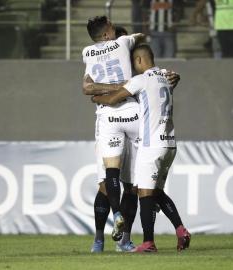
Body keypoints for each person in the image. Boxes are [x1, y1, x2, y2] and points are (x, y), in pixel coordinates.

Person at [87, 44, 191, 253]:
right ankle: (181, 230)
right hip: (169, 143)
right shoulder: (166, 76)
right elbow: (171, 81)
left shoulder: (141, 80)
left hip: (150, 144)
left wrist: (96, 97)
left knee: (143, 192)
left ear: (139, 61)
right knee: (156, 192)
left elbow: (114, 98)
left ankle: (148, 243)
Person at [82, 16, 145, 252]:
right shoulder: (123, 47)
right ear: (109, 35)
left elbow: (88, 88)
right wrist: (123, 86)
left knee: (128, 186)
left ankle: (122, 240)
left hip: (115, 116)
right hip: (121, 115)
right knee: (107, 186)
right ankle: (100, 239)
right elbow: (87, 88)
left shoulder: (89, 52)